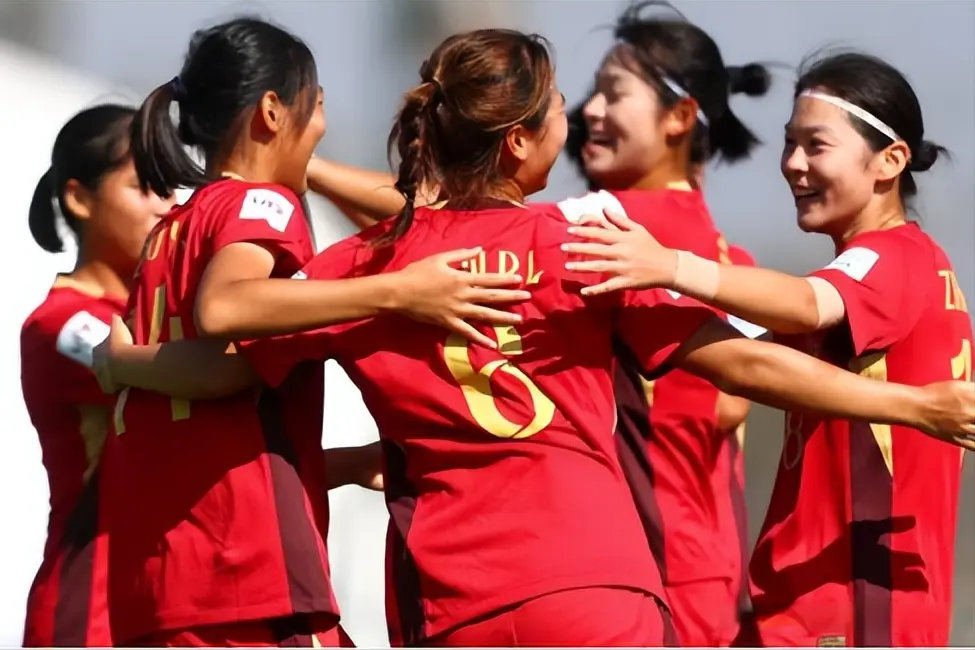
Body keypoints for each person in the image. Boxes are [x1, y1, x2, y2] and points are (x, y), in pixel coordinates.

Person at [94, 29, 975, 648]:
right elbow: (742, 364)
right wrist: (909, 406)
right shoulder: (583, 245)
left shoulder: (356, 268)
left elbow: (227, 363)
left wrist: (118, 358)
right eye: (560, 106)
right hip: (597, 593)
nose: (579, 117)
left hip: (450, 606)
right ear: (518, 142)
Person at [100, 17, 528, 648]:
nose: (323, 125)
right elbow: (228, 334)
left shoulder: (168, 230)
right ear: (274, 112)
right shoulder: (263, 206)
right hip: (244, 570)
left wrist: (121, 363)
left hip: (161, 578)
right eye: (318, 104)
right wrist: (397, 292)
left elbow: (213, 408)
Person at [562, 51, 973, 647]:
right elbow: (739, 371)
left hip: (853, 605)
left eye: (816, 145)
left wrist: (670, 265)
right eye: (789, 143)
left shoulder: (896, 258)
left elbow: (805, 305)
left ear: (890, 160)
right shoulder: (881, 275)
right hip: (805, 603)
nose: (793, 164)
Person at [556, 6, 770, 644]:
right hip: (714, 575)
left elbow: (459, 230)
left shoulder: (610, 229)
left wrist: (308, 171)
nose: (591, 109)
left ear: (679, 117)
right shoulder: (738, 263)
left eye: (614, 92)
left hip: (647, 576)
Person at [20, 104, 175, 647]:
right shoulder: (60, 324)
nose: (166, 206)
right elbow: (185, 380)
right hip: (90, 612)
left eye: (170, 187)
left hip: (156, 606)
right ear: (79, 198)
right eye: (144, 187)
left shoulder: (155, 316)